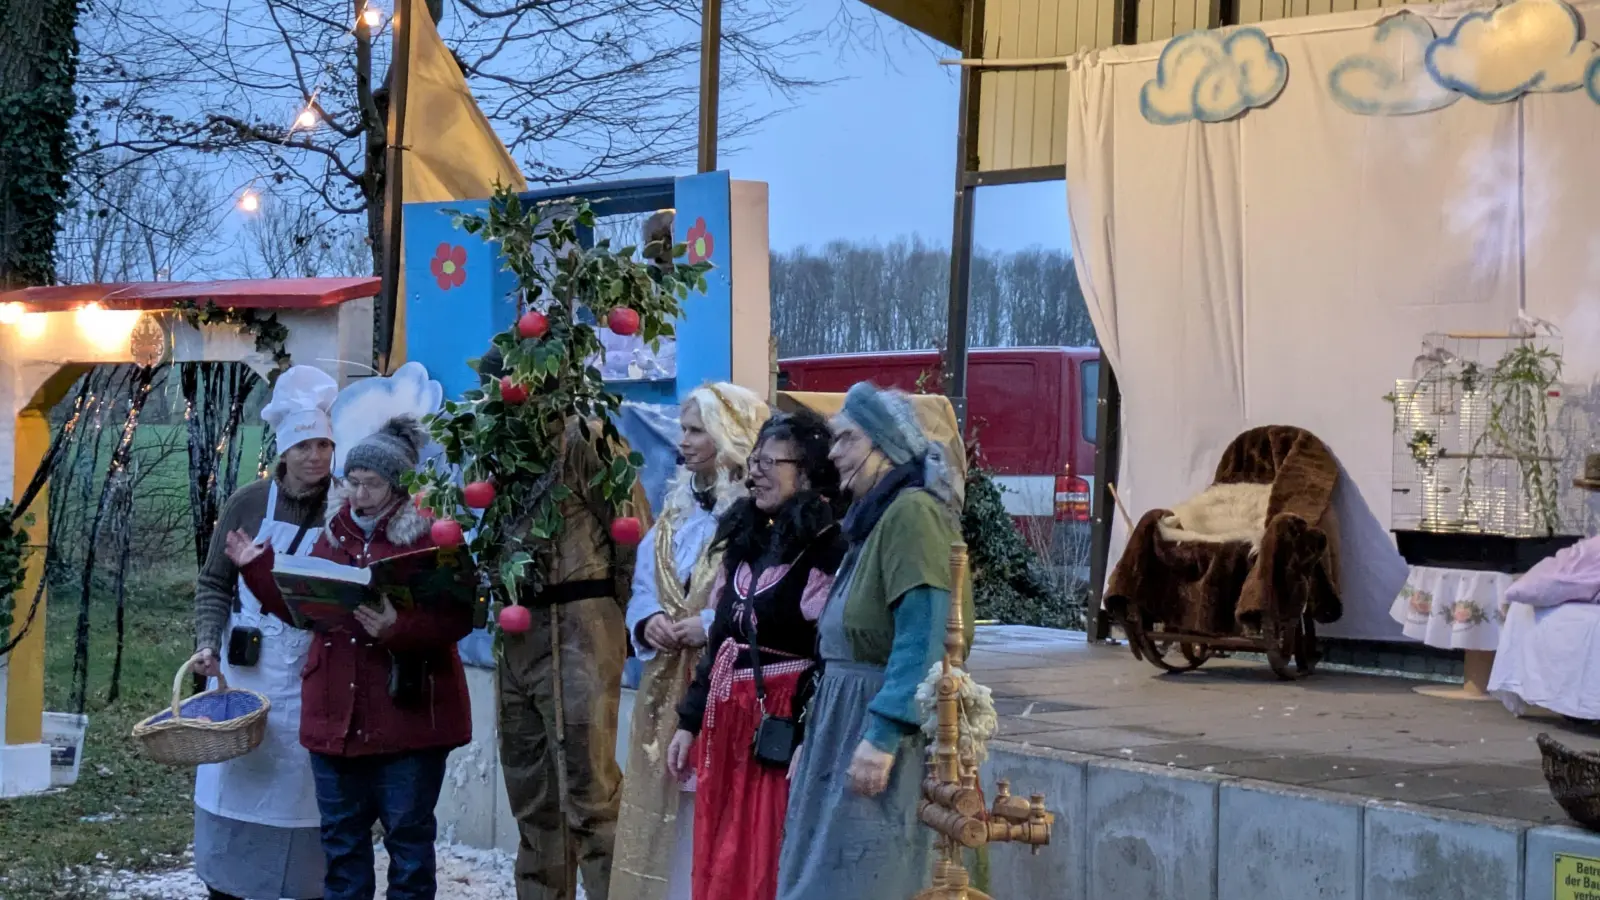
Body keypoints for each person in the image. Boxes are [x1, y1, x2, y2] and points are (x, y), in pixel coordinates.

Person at [229, 416, 474, 900]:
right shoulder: (331, 534)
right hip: (336, 716)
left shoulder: (433, 536)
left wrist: (397, 629)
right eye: (353, 482)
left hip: (406, 719)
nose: (359, 494)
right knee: (342, 850)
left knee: (408, 851)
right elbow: (307, 612)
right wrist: (258, 570)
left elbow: (458, 618)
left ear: (398, 486)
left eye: (372, 484)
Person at [775, 383, 970, 900]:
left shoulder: (912, 515)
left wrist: (882, 736)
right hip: (843, 718)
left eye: (846, 440)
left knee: (869, 875)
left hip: (881, 725)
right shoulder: (877, 517)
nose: (833, 453)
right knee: (823, 872)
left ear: (883, 445)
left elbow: (926, 632)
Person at [477, 346, 651, 900]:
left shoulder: (588, 441)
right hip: (519, 629)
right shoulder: (495, 450)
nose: (500, 394)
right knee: (531, 790)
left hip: (580, 625)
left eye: (509, 382)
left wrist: (619, 623)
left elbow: (631, 538)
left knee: (590, 788)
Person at [667, 409, 848, 900]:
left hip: (779, 722)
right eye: (755, 460)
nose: (757, 472)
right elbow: (721, 640)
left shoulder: (827, 548)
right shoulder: (746, 540)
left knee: (764, 851)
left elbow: (833, 655)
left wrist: (811, 733)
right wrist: (689, 722)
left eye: (772, 461)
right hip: (727, 720)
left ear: (807, 471)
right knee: (720, 847)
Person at [611, 383, 769, 900]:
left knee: (709, 807)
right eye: (683, 429)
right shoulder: (675, 509)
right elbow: (644, 582)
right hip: (663, 684)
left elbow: (770, 594)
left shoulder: (755, 516)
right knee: (662, 808)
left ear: (730, 436)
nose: (685, 440)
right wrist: (647, 618)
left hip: (723, 686)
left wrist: (710, 621)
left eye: (697, 429)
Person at [191, 365, 337, 900]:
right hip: (244, 674)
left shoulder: (343, 507)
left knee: (303, 795)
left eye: (324, 444)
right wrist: (207, 642)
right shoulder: (248, 503)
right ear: (283, 451)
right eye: (305, 446)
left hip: (310, 681)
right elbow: (213, 583)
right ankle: (227, 887)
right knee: (236, 781)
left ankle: (303, 888)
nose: (316, 457)